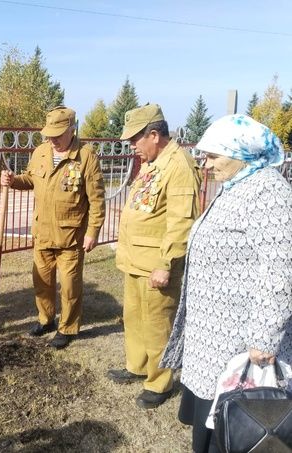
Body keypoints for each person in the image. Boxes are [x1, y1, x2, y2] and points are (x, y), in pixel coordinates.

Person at [161, 114, 292, 452]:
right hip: (215, 338)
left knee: (239, 433)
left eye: (213, 156)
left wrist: (264, 337)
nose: (205, 164)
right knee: (211, 431)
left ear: (243, 152)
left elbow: (281, 267)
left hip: (240, 344)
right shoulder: (237, 185)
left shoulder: (269, 191)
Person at [107, 104, 202, 409]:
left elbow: (181, 222)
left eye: (136, 139)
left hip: (157, 266)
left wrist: (166, 264)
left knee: (158, 323)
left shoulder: (179, 165)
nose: (132, 146)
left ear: (154, 135)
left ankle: (159, 381)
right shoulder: (152, 161)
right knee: (134, 318)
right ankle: (137, 366)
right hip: (136, 261)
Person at [1, 106, 106, 349]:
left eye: (58, 134)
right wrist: (14, 181)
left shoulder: (86, 157)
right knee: (42, 282)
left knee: (69, 286)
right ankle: (46, 320)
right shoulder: (40, 152)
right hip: (42, 232)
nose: (53, 140)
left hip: (71, 236)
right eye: (49, 135)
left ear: (72, 129)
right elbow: (31, 179)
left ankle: (67, 327)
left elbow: (97, 199)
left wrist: (93, 232)